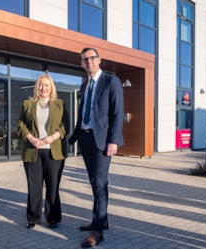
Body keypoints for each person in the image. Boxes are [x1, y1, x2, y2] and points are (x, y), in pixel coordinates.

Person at [68, 47, 124, 248]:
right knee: (94, 182)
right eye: (84, 59)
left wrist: (113, 140)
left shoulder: (111, 81)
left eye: (92, 58)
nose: (88, 62)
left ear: (99, 59)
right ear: (82, 64)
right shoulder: (85, 85)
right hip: (85, 138)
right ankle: (102, 220)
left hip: (102, 141)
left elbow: (117, 113)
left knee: (99, 183)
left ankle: (97, 232)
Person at [17, 74, 69, 230]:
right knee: (34, 186)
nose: (43, 88)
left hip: (54, 152)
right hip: (33, 151)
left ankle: (53, 218)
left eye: (46, 85)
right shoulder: (27, 104)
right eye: (40, 85)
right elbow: (20, 125)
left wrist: (52, 138)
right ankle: (33, 218)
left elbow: (65, 126)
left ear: (51, 87)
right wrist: (32, 139)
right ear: (36, 87)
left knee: (53, 186)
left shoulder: (59, 104)